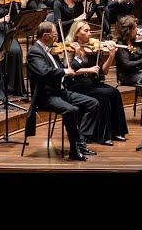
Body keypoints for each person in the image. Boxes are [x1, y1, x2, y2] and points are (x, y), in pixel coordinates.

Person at [24, 21, 99, 161]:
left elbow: (66, 70)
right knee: (71, 110)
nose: (57, 37)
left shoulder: (50, 50)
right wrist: (67, 69)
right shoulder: (34, 53)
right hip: (46, 96)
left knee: (93, 103)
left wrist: (76, 58)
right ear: (45, 35)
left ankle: (80, 141)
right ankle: (74, 149)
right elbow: (45, 73)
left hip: (60, 92)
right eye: (55, 34)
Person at [65, 21, 128, 146]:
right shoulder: (70, 48)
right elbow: (68, 70)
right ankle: (102, 136)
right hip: (77, 85)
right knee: (104, 95)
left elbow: (103, 71)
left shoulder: (94, 46)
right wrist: (87, 68)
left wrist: (111, 55)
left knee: (114, 92)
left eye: (89, 30)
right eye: (86, 31)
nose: (90, 33)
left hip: (92, 83)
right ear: (77, 34)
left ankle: (116, 131)